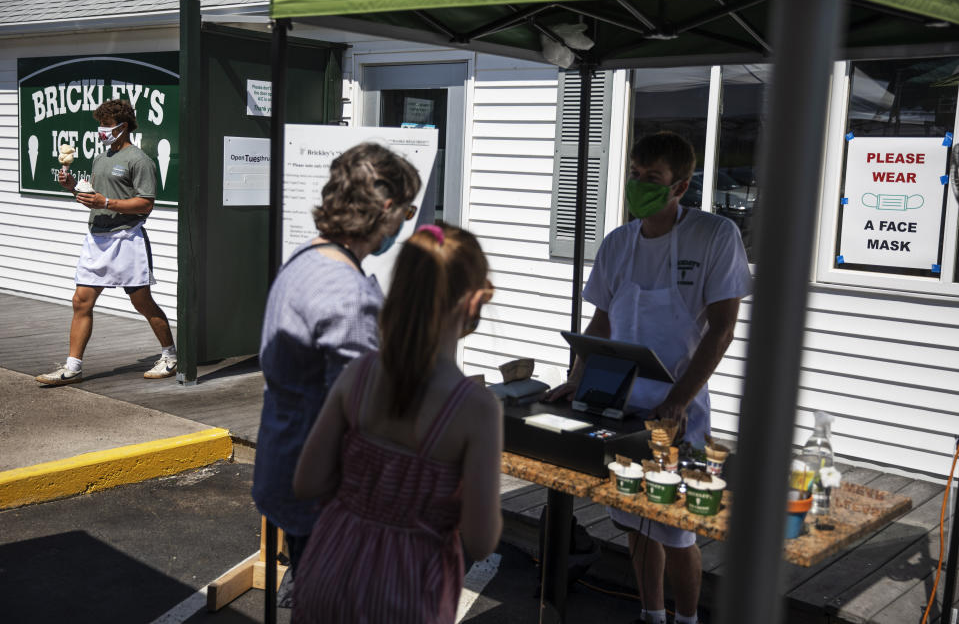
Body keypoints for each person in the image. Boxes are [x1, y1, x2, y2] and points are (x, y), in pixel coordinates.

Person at [548, 132, 751, 624]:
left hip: (678, 412)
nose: (639, 185)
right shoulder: (618, 242)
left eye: (653, 178)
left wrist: (680, 400)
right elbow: (602, 323)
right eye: (635, 175)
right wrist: (580, 379)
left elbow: (722, 327)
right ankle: (650, 613)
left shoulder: (714, 235)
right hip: (618, 405)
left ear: (680, 186)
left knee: (675, 525)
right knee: (635, 522)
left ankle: (686, 618)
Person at [290, 222, 503, 624]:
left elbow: (307, 482)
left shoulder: (358, 374)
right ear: (473, 301)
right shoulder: (476, 409)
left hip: (329, 568)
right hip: (408, 589)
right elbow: (481, 538)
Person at [252, 143, 422, 585]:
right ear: (386, 208)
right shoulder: (346, 292)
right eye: (406, 212)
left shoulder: (307, 256)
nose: (405, 223)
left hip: (286, 464)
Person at [37, 99, 176, 386]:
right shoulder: (101, 158)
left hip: (127, 238)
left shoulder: (140, 160)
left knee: (142, 302)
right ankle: (72, 367)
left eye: (107, 125)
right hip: (97, 237)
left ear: (123, 127)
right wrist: (73, 186)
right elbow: (96, 196)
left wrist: (107, 201)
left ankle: (170, 356)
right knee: (81, 301)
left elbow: (146, 204)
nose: (102, 130)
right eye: (100, 125)